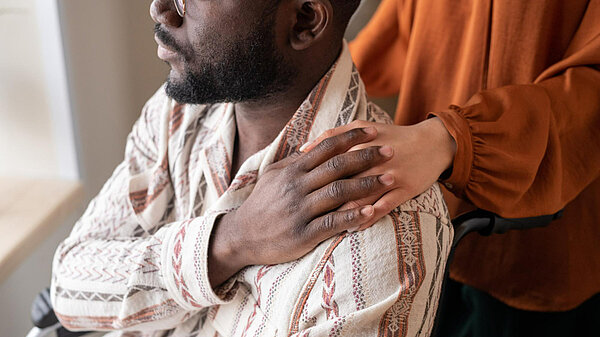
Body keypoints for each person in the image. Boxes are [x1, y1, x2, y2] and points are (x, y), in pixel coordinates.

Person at [50, 0, 454, 335]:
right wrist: (229, 240)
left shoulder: (383, 237)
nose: (162, 10)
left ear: (304, 20)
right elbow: (69, 287)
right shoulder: (177, 117)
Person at [303, 0, 600, 335]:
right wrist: (306, 89)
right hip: (427, 239)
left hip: (537, 256)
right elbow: (397, 35)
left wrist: (453, 139)